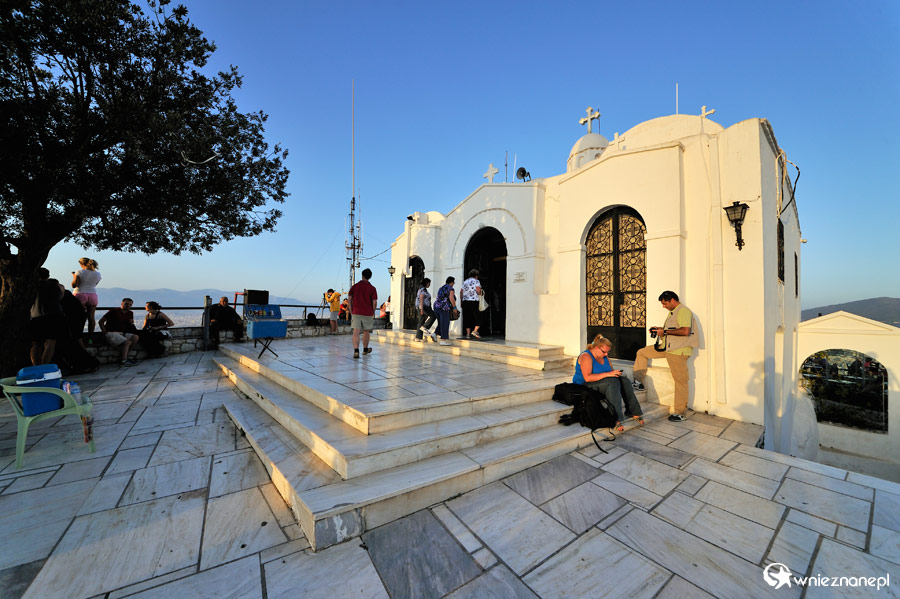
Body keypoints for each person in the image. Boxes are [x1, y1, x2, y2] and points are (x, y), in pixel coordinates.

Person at [633, 291, 698, 422]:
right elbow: (673, 330)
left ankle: (680, 413)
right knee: (642, 352)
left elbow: (685, 331)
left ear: (672, 300)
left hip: (678, 351)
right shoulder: (673, 312)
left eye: (665, 303)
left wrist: (665, 331)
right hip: (667, 347)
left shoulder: (683, 311)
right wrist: (659, 330)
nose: (664, 306)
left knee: (680, 381)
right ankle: (638, 382)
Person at [573, 335, 644, 431]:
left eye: (607, 352)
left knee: (625, 381)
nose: (606, 354)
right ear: (596, 348)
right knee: (612, 382)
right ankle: (613, 418)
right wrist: (608, 374)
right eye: (604, 352)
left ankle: (633, 411)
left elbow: (610, 373)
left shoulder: (605, 357)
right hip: (584, 385)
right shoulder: (586, 356)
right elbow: (587, 378)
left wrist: (615, 374)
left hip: (600, 382)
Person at [28, 268, 67, 365]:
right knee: (50, 342)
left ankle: (36, 366)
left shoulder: (31, 286)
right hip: (54, 316)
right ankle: (44, 365)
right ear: (48, 276)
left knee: (36, 344)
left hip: (36, 316)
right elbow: (60, 297)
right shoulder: (57, 286)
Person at [99, 298, 140, 366]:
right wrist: (105, 332)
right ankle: (124, 361)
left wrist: (131, 322)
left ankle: (124, 356)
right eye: (126, 304)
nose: (128, 306)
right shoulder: (113, 311)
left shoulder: (130, 313)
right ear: (122, 304)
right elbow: (101, 321)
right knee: (127, 342)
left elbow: (129, 324)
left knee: (135, 337)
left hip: (122, 333)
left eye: (130, 304)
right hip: (112, 332)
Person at [348, 268, 377, 359]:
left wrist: (351, 310)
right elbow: (374, 302)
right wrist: (373, 311)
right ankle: (365, 349)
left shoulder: (355, 286)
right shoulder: (372, 288)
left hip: (356, 312)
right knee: (366, 331)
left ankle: (356, 351)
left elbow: (349, 299)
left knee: (356, 331)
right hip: (367, 312)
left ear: (362, 275)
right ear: (370, 277)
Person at [71, 257, 101, 340]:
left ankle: (78, 337)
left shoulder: (79, 272)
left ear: (82, 264)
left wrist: (74, 276)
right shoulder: (98, 274)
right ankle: (90, 338)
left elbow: (74, 285)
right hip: (92, 295)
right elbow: (94, 284)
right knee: (91, 318)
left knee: (77, 317)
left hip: (80, 294)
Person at [433, 276, 457, 346]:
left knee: (441, 322)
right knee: (445, 323)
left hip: (436, 306)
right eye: (453, 282)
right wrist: (454, 307)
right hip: (444, 307)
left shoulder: (441, 288)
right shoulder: (450, 288)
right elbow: (451, 298)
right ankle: (443, 340)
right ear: (452, 282)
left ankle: (435, 334)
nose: (454, 284)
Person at [460, 269, 483, 339]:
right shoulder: (476, 281)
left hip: (465, 301)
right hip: (474, 301)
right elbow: (478, 290)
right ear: (476, 275)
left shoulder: (465, 282)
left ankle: (468, 334)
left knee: (467, 317)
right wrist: (480, 294)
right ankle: (475, 331)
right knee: (477, 316)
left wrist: (461, 301)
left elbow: (461, 292)